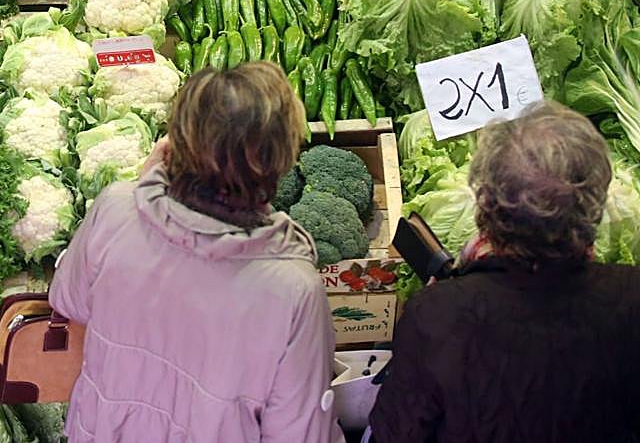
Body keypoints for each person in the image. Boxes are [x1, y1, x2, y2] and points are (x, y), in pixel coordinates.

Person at [49, 63, 343, 443]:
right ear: (281, 159)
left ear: (174, 141)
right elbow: (299, 433)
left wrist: (144, 187)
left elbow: (67, 299)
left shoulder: (116, 208)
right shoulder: (293, 288)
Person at [370, 100, 640, 443]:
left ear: (484, 202)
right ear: (596, 201)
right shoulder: (632, 299)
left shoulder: (438, 314)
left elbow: (396, 432)